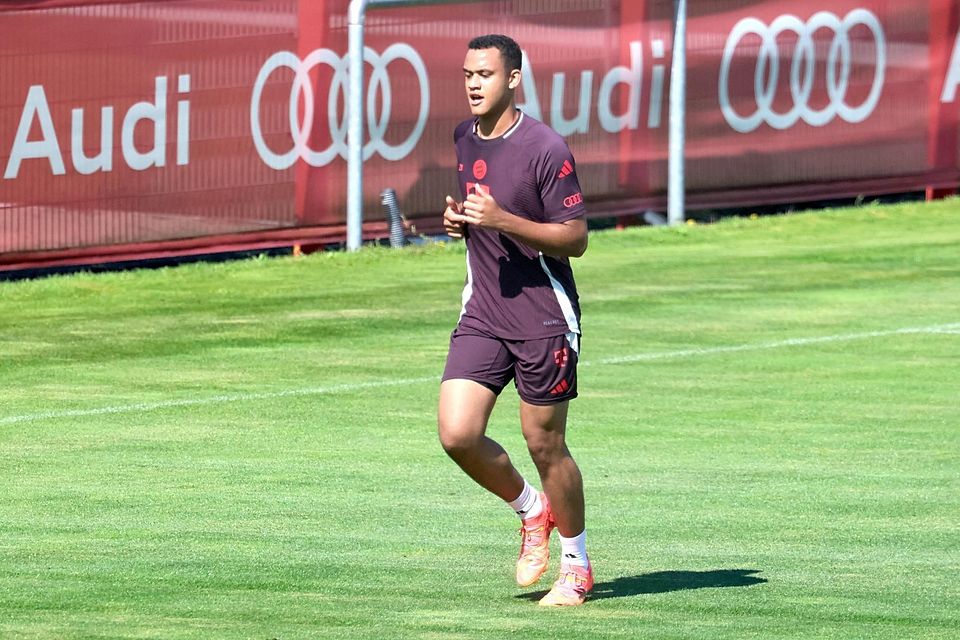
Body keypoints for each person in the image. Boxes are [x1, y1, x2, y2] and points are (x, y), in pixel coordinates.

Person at [437, 34, 592, 607]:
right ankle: (532, 510)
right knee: (457, 433)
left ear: (513, 79)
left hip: (543, 317)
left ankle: (576, 564)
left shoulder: (547, 148)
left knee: (544, 443)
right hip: (483, 311)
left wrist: (502, 219)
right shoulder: (462, 137)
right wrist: (462, 221)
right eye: (467, 74)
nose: (474, 84)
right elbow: (478, 209)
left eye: (484, 74)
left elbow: (575, 239)